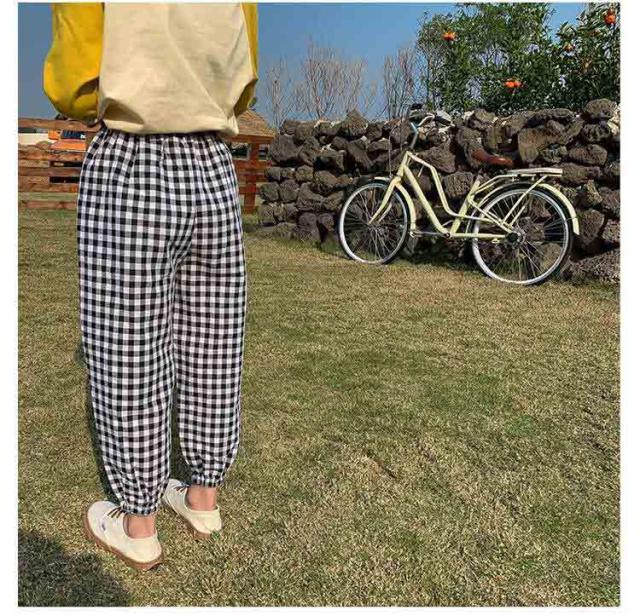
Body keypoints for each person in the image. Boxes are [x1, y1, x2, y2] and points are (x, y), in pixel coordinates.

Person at [43, 2, 258, 571]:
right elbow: (245, 80)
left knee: (128, 346)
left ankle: (138, 523)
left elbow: (73, 81)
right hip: (212, 164)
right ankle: (203, 497)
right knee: (214, 338)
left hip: (131, 156)